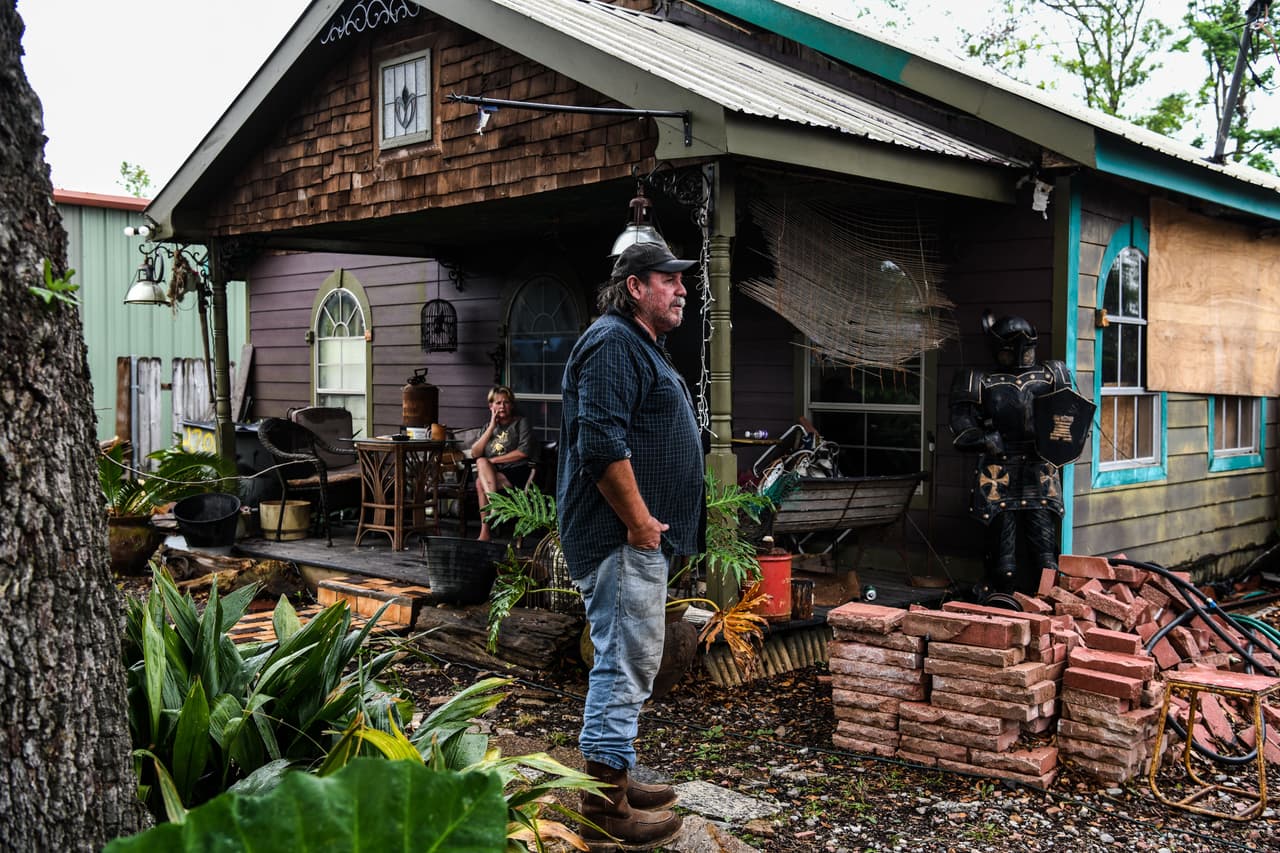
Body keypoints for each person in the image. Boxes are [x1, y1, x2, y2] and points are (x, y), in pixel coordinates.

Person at [557, 241, 705, 849]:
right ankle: (603, 808)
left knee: (631, 660)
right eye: (669, 279)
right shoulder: (613, 343)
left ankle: (616, 777)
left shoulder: (637, 343)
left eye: (681, 280)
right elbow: (600, 444)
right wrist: (641, 524)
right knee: (624, 662)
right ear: (635, 287)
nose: (682, 289)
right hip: (621, 537)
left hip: (635, 541)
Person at [948, 312, 1078, 599]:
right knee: (1002, 562)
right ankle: (1003, 601)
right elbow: (961, 426)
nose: (1019, 354)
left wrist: (1056, 439)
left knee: (1045, 557)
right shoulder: (979, 380)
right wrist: (984, 438)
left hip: (1038, 468)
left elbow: (1070, 417)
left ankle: (1046, 603)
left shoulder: (1053, 375)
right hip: (998, 469)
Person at [470, 385, 534, 541]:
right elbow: (475, 453)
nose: (502, 406)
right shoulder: (487, 427)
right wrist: (491, 427)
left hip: (516, 471)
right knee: (480, 462)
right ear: (491, 406)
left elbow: (523, 452)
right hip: (493, 474)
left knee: (480, 482)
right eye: (498, 403)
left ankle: (485, 532)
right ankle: (495, 506)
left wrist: (493, 460)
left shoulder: (520, 423)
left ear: (511, 405)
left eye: (506, 402)